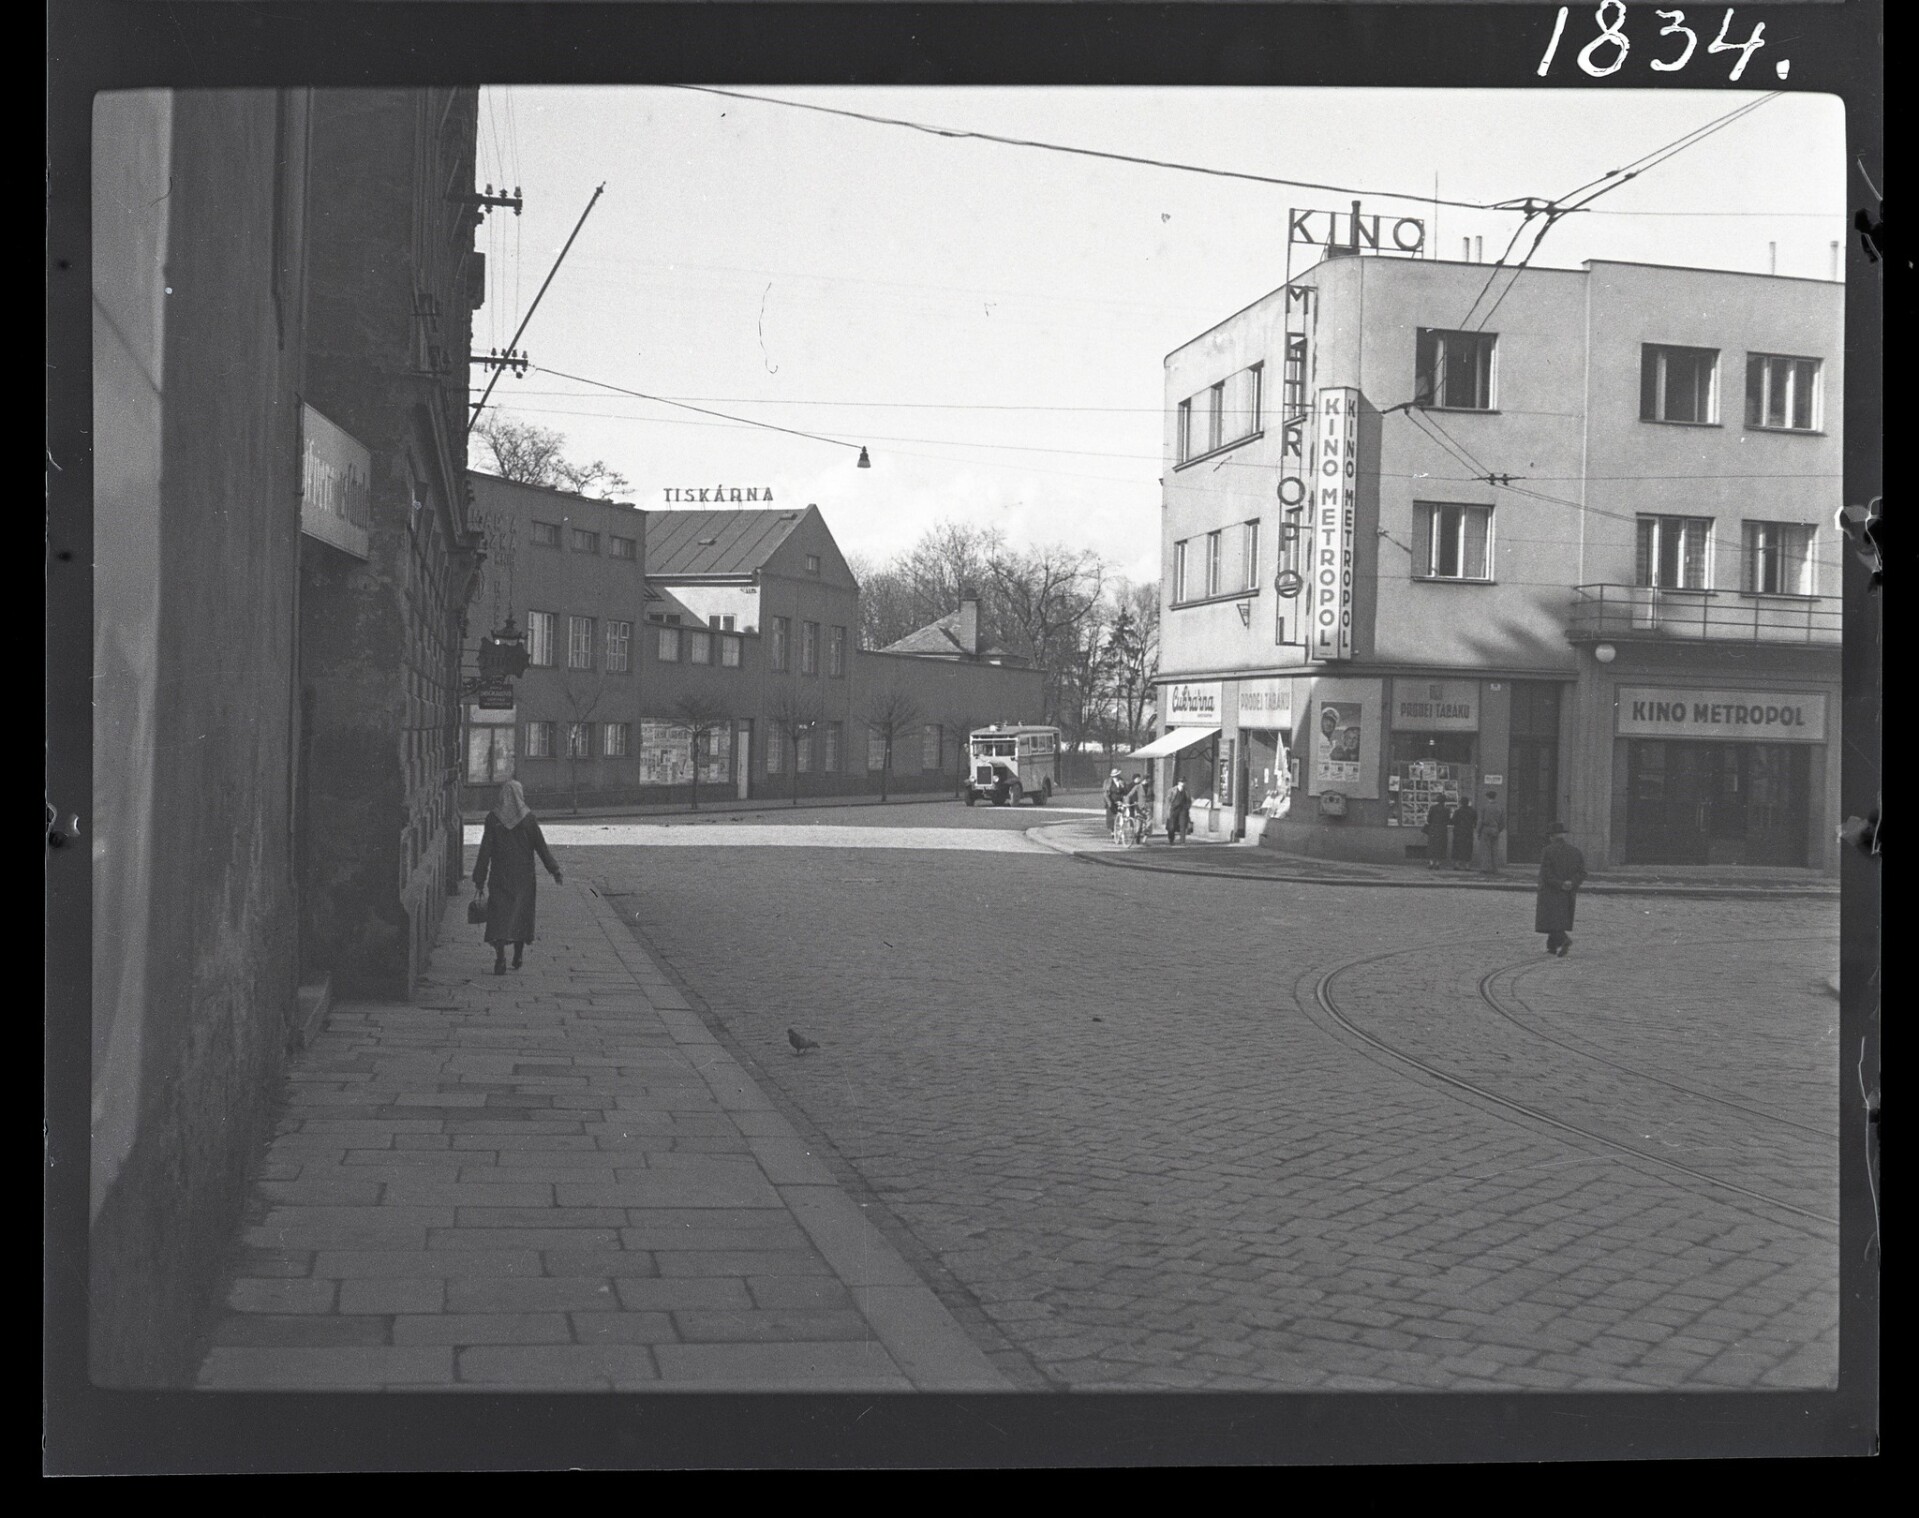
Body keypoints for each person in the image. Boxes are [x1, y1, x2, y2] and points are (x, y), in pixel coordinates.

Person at [472, 778, 564, 975]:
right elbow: (541, 847)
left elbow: (485, 851)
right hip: (524, 877)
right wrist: (554, 870)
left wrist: (479, 878)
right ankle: (518, 955)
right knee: (521, 915)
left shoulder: (493, 818)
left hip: (500, 876)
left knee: (499, 917)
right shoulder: (528, 819)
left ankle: (500, 958)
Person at [1536, 821, 1587, 956]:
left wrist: (1560, 884)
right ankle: (1551, 947)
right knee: (1557, 919)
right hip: (1568, 893)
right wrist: (1571, 882)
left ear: (1552, 836)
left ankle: (1564, 940)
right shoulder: (1575, 852)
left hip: (1551, 891)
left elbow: (1546, 874)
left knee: (1549, 919)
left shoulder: (1547, 851)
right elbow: (1582, 873)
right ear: (1563, 835)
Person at [1476, 788, 1507, 875]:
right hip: (1495, 829)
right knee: (1494, 849)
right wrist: (1498, 829)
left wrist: (1478, 831)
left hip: (1485, 829)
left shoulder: (1484, 807)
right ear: (1495, 797)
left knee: (1485, 849)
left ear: (1487, 797)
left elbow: (1480, 821)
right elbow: (1503, 822)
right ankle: (1495, 869)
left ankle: (1485, 868)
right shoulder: (1500, 807)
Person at [1423, 793, 1454, 871]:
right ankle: (1437, 864)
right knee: (1440, 846)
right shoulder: (1447, 810)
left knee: (1432, 846)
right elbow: (1448, 821)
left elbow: (1429, 819)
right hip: (1442, 830)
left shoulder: (1432, 808)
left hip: (1433, 829)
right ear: (1445, 801)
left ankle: (1431, 863)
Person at [1449, 794, 1478, 871]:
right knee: (1468, 848)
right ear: (1468, 803)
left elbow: (1453, 821)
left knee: (1457, 848)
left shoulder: (1457, 811)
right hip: (1468, 831)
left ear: (1461, 803)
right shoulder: (1472, 811)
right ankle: (1467, 866)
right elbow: (1475, 821)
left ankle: (1457, 865)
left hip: (1458, 832)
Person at [1166, 776, 1192, 845]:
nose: (1183, 784)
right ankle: (1171, 839)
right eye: (1181, 782)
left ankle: (1182, 841)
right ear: (1178, 783)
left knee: (1183, 825)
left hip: (1183, 809)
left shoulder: (1186, 791)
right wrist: (1169, 808)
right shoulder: (1172, 790)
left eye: (1184, 782)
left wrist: (1188, 807)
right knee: (1172, 826)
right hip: (1174, 809)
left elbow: (1189, 800)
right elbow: (1168, 800)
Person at [1104, 767, 1127, 836]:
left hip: (1120, 801)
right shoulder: (1108, 782)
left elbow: (1125, 791)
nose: (1116, 777)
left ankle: (1120, 830)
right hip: (1111, 801)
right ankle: (1113, 831)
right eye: (1115, 776)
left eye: (1117, 775)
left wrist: (1123, 786)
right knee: (1111, 817)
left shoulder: (1121, 781)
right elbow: (1106, 793)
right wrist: (1109, 803)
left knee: (1122, 816)